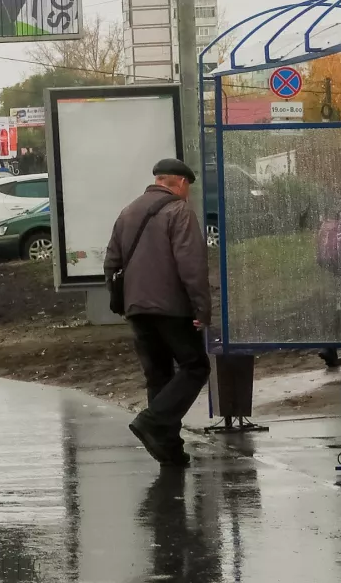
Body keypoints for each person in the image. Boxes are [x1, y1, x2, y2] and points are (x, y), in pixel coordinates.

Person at [103, 158, 212, 468]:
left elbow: (111, 263)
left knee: (159, 376)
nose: (188, 193)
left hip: (137, 309)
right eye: (187, 187)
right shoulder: (179, 211)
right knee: (195, 366)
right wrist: (202, 309)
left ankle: (168, 449)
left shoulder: (128, 211)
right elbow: (191, 266)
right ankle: (152, 421)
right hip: (172, 308)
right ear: (179, 182)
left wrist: (124, 302)